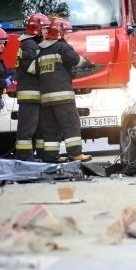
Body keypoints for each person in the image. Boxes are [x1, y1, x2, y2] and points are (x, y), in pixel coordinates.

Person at [36, 18, 93, 163]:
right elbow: (75, 60)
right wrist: (88, 62)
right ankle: (75, 153)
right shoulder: (63, 47)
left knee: (51, 128)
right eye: (67, 32)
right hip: (63, 96)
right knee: (71, 125)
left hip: (46, 98)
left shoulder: (42, 50)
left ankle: (51, 157)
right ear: (59, 33)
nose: (69, 36)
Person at [14, 13, 50, 160]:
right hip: (29, 95)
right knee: (27, 129)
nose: (47, 31)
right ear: (36, 29)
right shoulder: (29, 45)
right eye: (45, 28)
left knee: (40, 129)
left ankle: (41, 156)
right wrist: (50, 67)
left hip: (36, 94)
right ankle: (24, 158)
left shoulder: (35, 44)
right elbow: (32, 67)